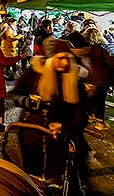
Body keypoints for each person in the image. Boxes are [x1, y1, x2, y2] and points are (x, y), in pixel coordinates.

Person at [9, 38, 89, 195]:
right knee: (32, 178)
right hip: (32, 135)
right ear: (50, 59)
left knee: (60, 180)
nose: (65, 63)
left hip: (61, 140)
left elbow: (82, 115)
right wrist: (26, 101)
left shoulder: (76, 82)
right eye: (60, 58)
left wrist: (64, 126)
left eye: (68, 58)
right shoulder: (33, 75)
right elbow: (14, 95)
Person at [82, 27, 114, 130]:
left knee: (89, 99)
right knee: (100, 100)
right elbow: (112, 63)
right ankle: (99, 123)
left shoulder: (82, 48)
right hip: (101, 79)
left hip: (86, 78)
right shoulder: (102, 48)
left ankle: (90, 116)